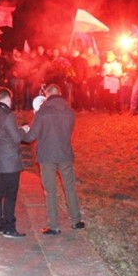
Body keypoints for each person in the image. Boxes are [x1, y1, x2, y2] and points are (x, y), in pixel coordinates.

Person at [24, 84, 85, 235]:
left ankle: (54, 225)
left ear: (46, 94)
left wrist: (25, 129)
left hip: (47, 155)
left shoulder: (43, 112)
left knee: (50, 190)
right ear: (59, 93)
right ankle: (76, 220)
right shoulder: (70, 111)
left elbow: (31, 136)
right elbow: (68, 132)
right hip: (65, 153)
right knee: (69, 187)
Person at [0, 87, 28, 238]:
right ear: (8, 99)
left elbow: (0, 136)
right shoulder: (8, 115)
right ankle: (9, 227)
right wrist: (24, 129)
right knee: (10, 194)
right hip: (9, 162)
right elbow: (16, 138)